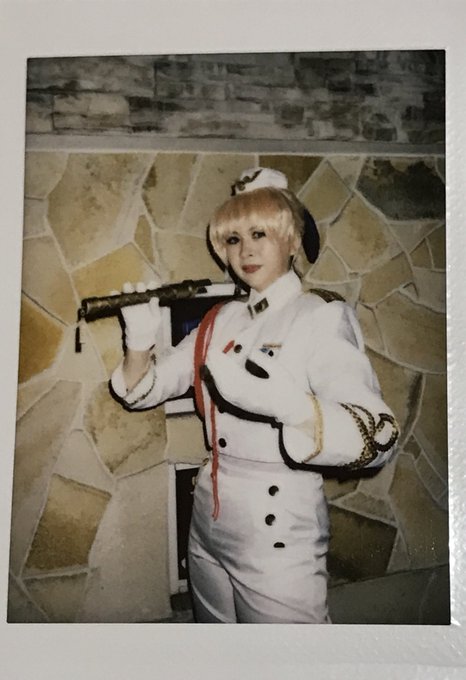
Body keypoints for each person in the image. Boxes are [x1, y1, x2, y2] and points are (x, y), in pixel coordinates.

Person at [110, 167, 399, 624]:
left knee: (287, 658)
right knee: (220, 651)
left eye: (259, 234)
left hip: (277, 527)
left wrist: (290, 406)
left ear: (292, 239)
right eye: (233, 239)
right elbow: (145, 390)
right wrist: (138, 345)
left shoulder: (319, 316)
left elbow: (378, 436)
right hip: (208, 522)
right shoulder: (220, 319)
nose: (245, 250)